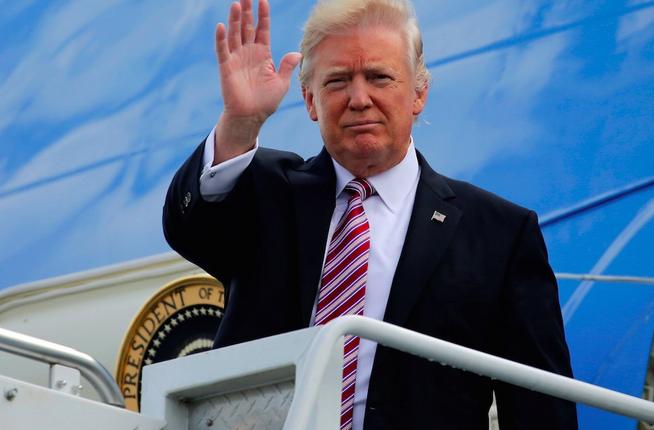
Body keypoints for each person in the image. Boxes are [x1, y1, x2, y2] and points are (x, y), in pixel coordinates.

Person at [163, 0, 578, 428]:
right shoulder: (267, 192)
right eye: (338, 81)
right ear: (310, 100)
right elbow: (190, 228)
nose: (359, 99)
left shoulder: (499, 234)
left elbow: (541, 405)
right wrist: (239, 123)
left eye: (379, 77)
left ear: (419, 92)